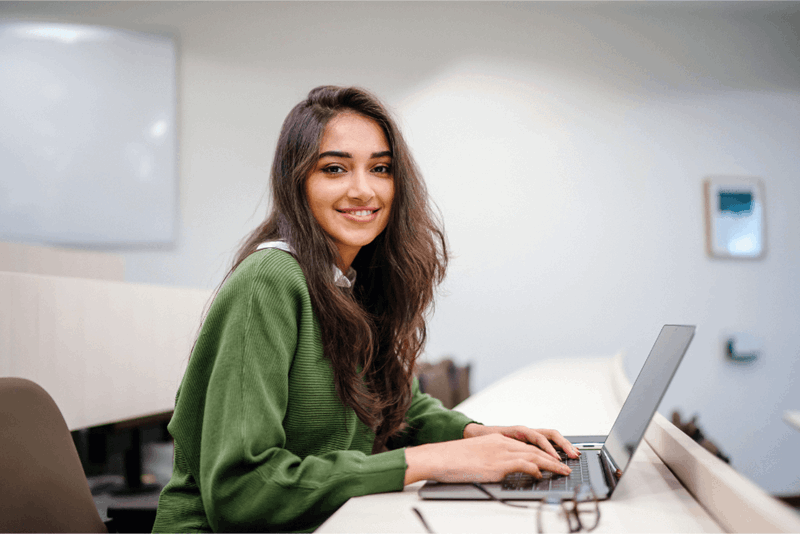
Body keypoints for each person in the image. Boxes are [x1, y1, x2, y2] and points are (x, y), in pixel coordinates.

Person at [152, 85, 579, 533]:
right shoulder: (270, 281)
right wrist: (431, 460)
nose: (363, 190)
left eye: (380, 168)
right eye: (334, 168)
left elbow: (396, 405)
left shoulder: (347, 280)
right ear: (296, 182)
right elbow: (242, 492)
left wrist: (477, 436)